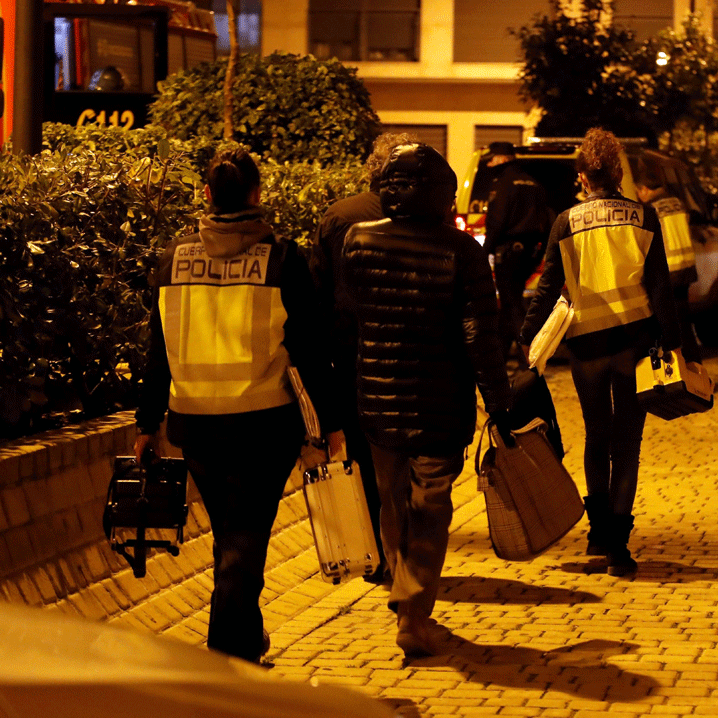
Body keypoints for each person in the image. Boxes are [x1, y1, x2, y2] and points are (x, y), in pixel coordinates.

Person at [134, 148, 344, 663]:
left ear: (206, 195)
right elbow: (311, 351)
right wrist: (330, 425)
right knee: (245, 537)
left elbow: (156, 348)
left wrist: (147, 422)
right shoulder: (282, 260)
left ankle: (243, 640)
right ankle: (227, 652)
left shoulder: (171, 260)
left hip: (195, 425)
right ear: (255, 195)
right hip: (263, 426)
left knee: (230, 536)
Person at [337, 143, 513, 658]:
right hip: (441, 401)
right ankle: (413, 608)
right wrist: (497, 399)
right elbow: (481, 333)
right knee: (430, 505)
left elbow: (347, 317)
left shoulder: (358, 241)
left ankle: (404, 593)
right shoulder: (463, 252)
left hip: (377, 396)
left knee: (392, 500)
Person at [520, 128, 682, 577]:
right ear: (616, 173)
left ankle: (598, 533)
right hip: (633, 345)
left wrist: (524, 338)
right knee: (627, 444)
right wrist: (678, 344)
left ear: (583, 177)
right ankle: (619, 547)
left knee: (596, 436)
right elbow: (661, 289)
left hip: (586, 347)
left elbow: (547, 286)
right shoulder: (644, 216)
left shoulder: (565, 222)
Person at [309, 132, 415, 585]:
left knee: (370, 457)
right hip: (412, 355)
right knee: (409, 456)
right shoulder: (424, 215)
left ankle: (381, 550)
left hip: (352, 355)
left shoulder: (339, 216)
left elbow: (315, 296)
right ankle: (409, 550)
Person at [483, 141, 555, 359]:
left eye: (492, 159)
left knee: (512, 304)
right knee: (509, 301)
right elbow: (547, 221)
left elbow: (496, 222)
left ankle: (529, 354)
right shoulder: (535, 184)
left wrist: (484, 250)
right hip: (531, 252)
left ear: (503, 159)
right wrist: (540, 254)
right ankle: (500, 355)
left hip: (509, 252)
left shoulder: (502, 184)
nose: (489, 164)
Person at [635, 169, 702, 363]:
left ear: (645, 189)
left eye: (639, 192)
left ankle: (683, 372)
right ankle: (694, 369)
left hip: (668, 272)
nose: (639, 196)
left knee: (669, 327)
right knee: (685, 325)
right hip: (686, 269)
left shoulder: (651, 209)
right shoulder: (678, 203)